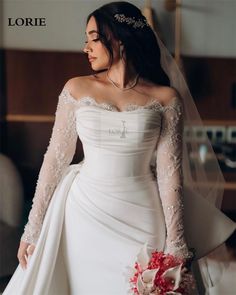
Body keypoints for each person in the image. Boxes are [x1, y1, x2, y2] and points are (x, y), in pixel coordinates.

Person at [3, 1, 236, 294]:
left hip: (143, 214)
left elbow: (170, 175)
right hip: (84, 213)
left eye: (93, 38)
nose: (86, 48)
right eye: (86, 39)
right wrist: (33, 228)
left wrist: (176, 243)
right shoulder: (76, 88)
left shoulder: (166, 98)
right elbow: (54, 160)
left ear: (119, 39)